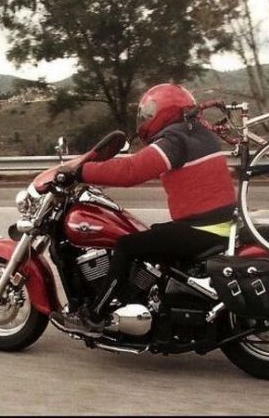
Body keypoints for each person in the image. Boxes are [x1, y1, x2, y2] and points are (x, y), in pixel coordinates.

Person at [50, 83, 237, 338]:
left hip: (203, 228)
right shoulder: (197, 134)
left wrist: (80, 172)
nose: (146, 118)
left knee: (127, 245)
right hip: (216, 223)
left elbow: (131, 171)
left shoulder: (175, 139)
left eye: (150, 112)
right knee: (153, 235)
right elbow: (139, 163)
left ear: (166, 111)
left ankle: (94, 317)